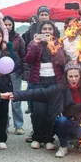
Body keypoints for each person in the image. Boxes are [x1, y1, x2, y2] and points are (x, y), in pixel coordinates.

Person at [3, 63, 81, 157]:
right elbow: (36, 93)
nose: (73, 79)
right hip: (64, 124)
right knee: (61, 120)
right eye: (70, 76)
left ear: (80, 76)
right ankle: (63, 146)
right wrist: (15, 95)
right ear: (66, 77)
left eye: (76, 76)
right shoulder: (58, 90)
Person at [24, 20, 68, 149]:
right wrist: (34, 44)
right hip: (38, 82)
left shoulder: (58, 43)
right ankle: (37, 137)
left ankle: (49, 138)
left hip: (54, 82)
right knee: (38, 111)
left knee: (52, 112)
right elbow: (28, 60)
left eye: (50, 28)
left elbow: (62, 61)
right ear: (40, 31)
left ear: (53, 31)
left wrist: (53, 46)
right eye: (44, 29)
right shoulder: (34, 43)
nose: (47, 31)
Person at [3, 16, 26, 135]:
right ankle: (5, 124)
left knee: (16, 98)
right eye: (5, 24)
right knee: (4, 99)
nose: (7, 27)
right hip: (2, 73)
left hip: (16, 72)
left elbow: (24, 55)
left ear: (13, 25)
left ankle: (18, 125)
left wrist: (23, 70)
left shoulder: (18, 38)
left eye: (9, 24)